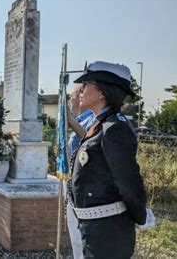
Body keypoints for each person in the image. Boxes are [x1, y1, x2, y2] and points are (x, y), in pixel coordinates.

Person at [69, 61, 148, 258]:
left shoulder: (114, 129)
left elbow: (128, 181)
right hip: (96, 229)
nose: (81, 90)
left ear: (102, 92)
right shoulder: (100, 126)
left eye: (87, 84)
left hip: (109, 232)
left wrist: (140, 215)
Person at [66, 85, 94, 259]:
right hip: (73, 179)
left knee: (83, 234)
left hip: (86, 182)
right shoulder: (81, 118)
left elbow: (91, 140)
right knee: (75, 234)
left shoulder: (92, 118)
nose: (70, 101)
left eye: (72, 97)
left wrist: (71, 122)